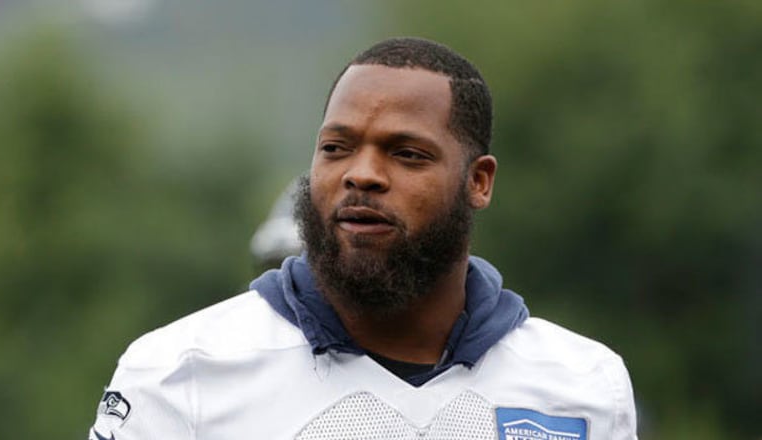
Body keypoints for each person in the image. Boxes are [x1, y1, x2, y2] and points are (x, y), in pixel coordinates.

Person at [89, 37, 637, 439]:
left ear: (479, 181)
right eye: (336, 148)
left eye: (407, 154)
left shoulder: (585, 384)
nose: (362, 174)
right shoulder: (179, 372)